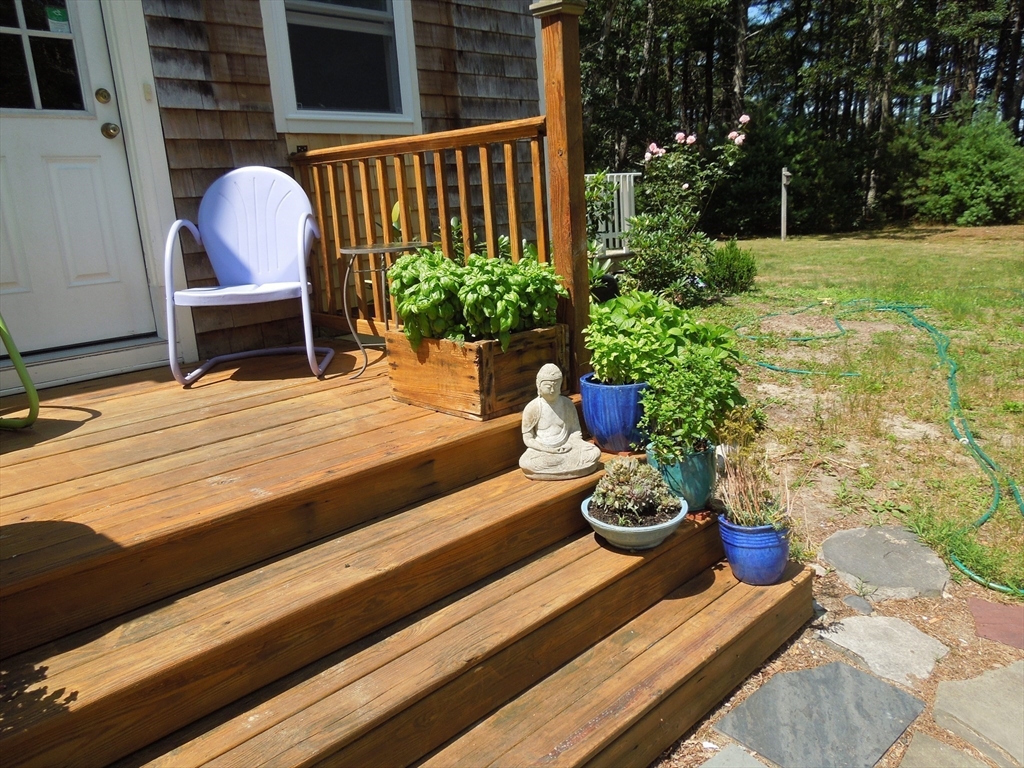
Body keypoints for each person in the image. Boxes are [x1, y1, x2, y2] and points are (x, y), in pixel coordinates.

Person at [520, 364, 601, 480]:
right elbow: (528, 438)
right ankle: (567, 466)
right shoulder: (532, 408)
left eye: (556, 385)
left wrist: (570, 444)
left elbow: (575, 431)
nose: (552, 390)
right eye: (548, 386)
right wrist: (547, 449)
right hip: (543, 451)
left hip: (567, 447)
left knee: (593, 452)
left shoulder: (567, 404)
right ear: (538, 385)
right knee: (527, 462)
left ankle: (562, 466)